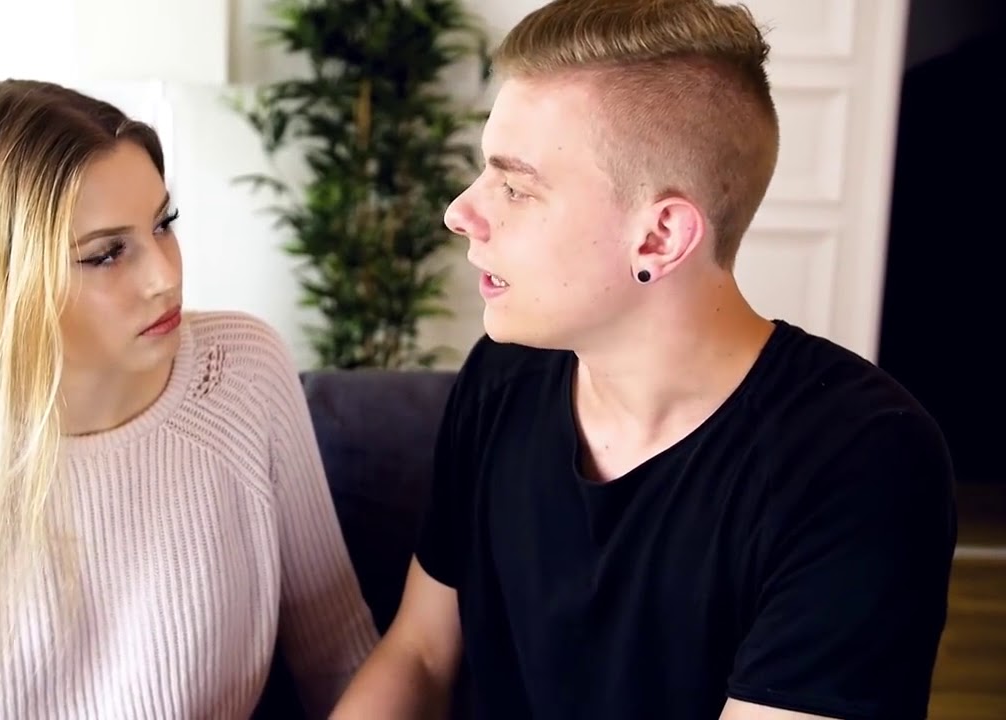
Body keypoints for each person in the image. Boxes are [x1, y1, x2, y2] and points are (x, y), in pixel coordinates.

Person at [332, 1, 958, 719]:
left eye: (515, 187)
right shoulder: (504, 376)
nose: (460, 212)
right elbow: (420, 652)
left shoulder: (861, 462)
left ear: (660, 238)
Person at [0, 79, 378, 720]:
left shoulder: (244, 371)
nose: (164, 276)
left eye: (163, 224)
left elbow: (338, 649)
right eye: (107, 254)